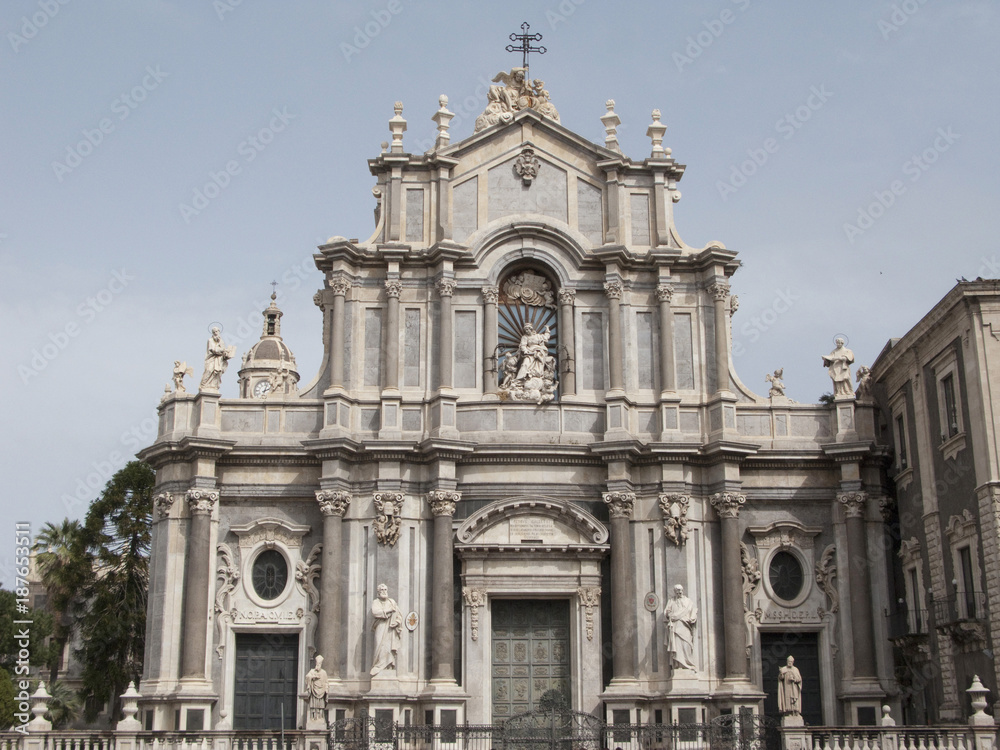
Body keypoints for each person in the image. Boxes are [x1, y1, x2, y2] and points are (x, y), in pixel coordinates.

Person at [370, 583, 403, 676]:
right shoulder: (376, 602)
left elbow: (399, 615)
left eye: (385, 590)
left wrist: (397, 622)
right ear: (378, 592)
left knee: (388, 648)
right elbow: (375, 612)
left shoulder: (392, 602)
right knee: (379, 647)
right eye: (382, 590)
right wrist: (389, 611)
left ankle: (388, 666)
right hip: (380, 627)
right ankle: (378, 666)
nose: (384, 591)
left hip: (390, 629)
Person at [664, 584, 698, 671]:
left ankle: (688, 664)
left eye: (680, 590)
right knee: (677, 646)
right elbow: (667, 612)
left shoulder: (688, 601)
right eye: (677, 591)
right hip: (675, 626)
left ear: (683, 590)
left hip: (685, 625)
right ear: (675, 592)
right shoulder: (671, 601)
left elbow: (693, 612)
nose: (679, 592)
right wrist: (669, 614)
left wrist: (692, 618)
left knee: (686, 644)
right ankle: (678, 665)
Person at [200, 326, 236, 391]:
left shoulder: (221, 341)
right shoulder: (210, 340)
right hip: (212, 359)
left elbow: (223, 353)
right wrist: (223, 350)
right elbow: (213, 349)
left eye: (216, 331)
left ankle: (214, 386)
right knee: (209, 370)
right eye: (214, 332)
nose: (215, 333)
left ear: (219, 332)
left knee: (217, 373)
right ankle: (203, 385)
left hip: (219, 360)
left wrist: (227, 354)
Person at [304, 655, 328, 721]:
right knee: (313, 705)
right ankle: (313, 717)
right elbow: (307, 677)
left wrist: (326, 689)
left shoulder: (324, 672)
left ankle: (320, 717)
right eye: (317, 664)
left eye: (319, 664)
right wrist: (312, 677)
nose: (318, 665)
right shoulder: (312, 671)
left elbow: (326, 682)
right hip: (314, 691)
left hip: (321, 692)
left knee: (320, 706)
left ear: (321, 664)